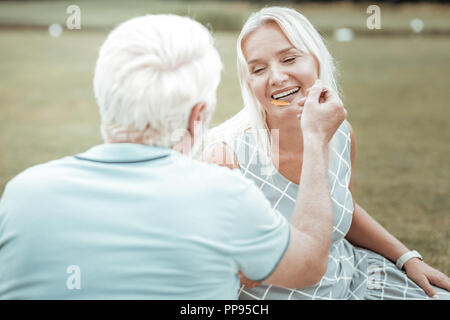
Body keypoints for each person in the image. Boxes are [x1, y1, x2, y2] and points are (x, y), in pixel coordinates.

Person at [0, 14, 346, 299]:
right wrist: (315, 139)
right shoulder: (223, 193)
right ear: (199, 115)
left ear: (104, 97)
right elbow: (309, 264)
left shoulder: (21, 192)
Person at [203, 7, 450, 300]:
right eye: (258, 69)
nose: (277, 77)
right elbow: (244, 272)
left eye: (290, 58)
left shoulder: (340, 131)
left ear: (316, 60)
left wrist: (406, 257)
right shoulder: (228, 155)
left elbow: (344, 209)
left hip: (354, 279)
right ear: (249, 83)